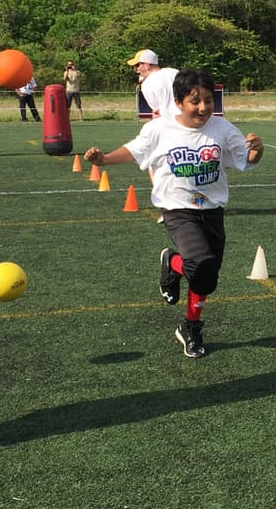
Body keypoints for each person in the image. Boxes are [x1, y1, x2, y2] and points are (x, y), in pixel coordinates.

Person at [82, 70, 263, 358]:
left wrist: (257, 150)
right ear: (178, 102)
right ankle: (189, 306)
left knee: (207, 279)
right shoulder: (160, 129)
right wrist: (103, 159)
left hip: (213, 209)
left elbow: (246, 161)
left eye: (208, 100)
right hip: (178, 209)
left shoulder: (222, 129)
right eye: (195, 101)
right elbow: (134, 151)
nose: (203, 107)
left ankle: (182, 303)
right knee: (201, 264)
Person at [128, 48, 181, 120]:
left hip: (168, 122)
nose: (136, 70)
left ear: (147, 65)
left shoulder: (147, 84)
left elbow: (157, 112)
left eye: (137, 65)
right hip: (188, 119)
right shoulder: (174, 72)